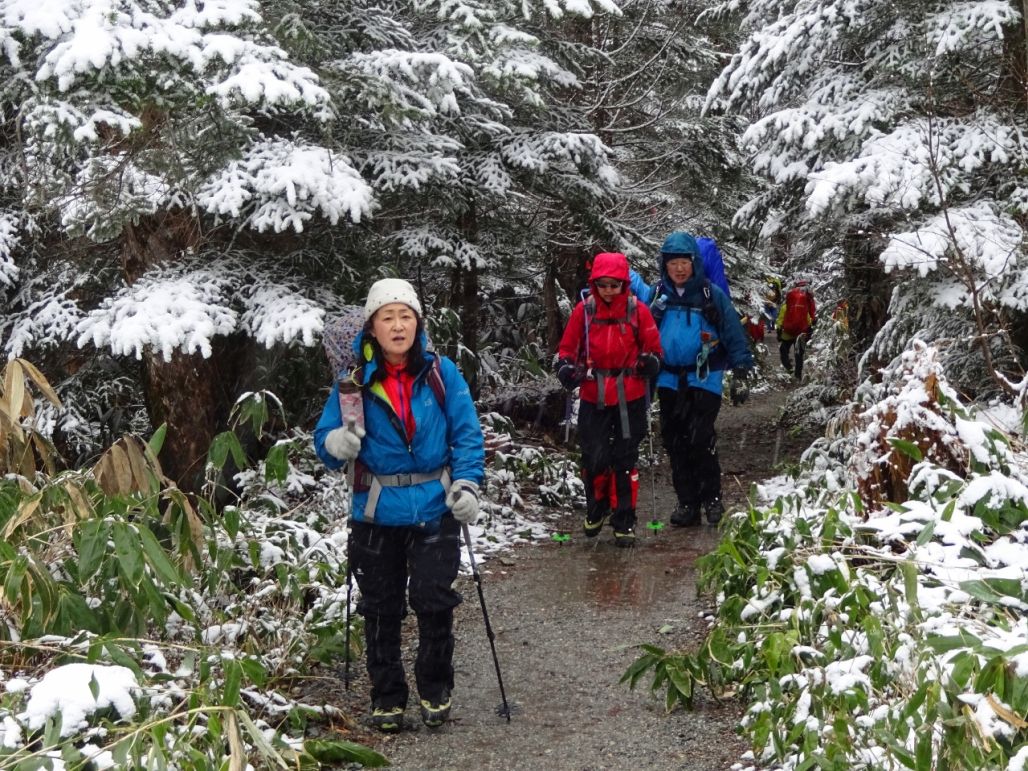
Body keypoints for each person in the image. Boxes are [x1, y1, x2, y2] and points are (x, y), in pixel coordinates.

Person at [314, 278, 485, 733]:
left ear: (418, 324)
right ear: (372, 326)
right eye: (387, 317)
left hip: (434, 505)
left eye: (405, 316)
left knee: (433, 600)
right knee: (380, 606)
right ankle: (387, 696)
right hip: (374, 510)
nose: (397, 325)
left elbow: (466, 435)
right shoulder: (353, 382)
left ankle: (435, 688)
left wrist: (467, 486)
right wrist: (337, 441)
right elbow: (324, 443)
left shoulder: (441, 373)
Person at [629, 232, 754, 526]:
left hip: (704, 376)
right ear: (665, 265)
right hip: (669, 379)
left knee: (700, 437)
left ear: (694, 263)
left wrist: (741, 371)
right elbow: (642, 331)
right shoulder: (659, 294)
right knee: (674, 441)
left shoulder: (711, 294)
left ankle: (711, 499)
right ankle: (687, 502)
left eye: (684, 262)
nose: (680, 269)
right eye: (674, 263)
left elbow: (733, 333)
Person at [555, 252, 663, 548]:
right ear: (594, 283)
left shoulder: (638, 311)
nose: (608, 290)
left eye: (614, 285)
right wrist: (565, 367)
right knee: (594, 455)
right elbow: (567, 348)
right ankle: (597, 506)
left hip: (631, 394)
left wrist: (650, 362)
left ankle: (624, 518)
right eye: (602, 285)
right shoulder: (584, 312)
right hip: (594, 392)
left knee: (625, 459)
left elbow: (654, 348)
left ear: (623, 284)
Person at [776, 278, 816, 381]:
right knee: (799, 354)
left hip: (788, 331)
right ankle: (798, 375)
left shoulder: (788, 302)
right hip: (801, 331)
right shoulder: (807, 301)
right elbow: (810, 317)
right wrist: (810, 327)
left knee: (783, 350)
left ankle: (789, 368)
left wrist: (779, 329)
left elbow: (781, 317)